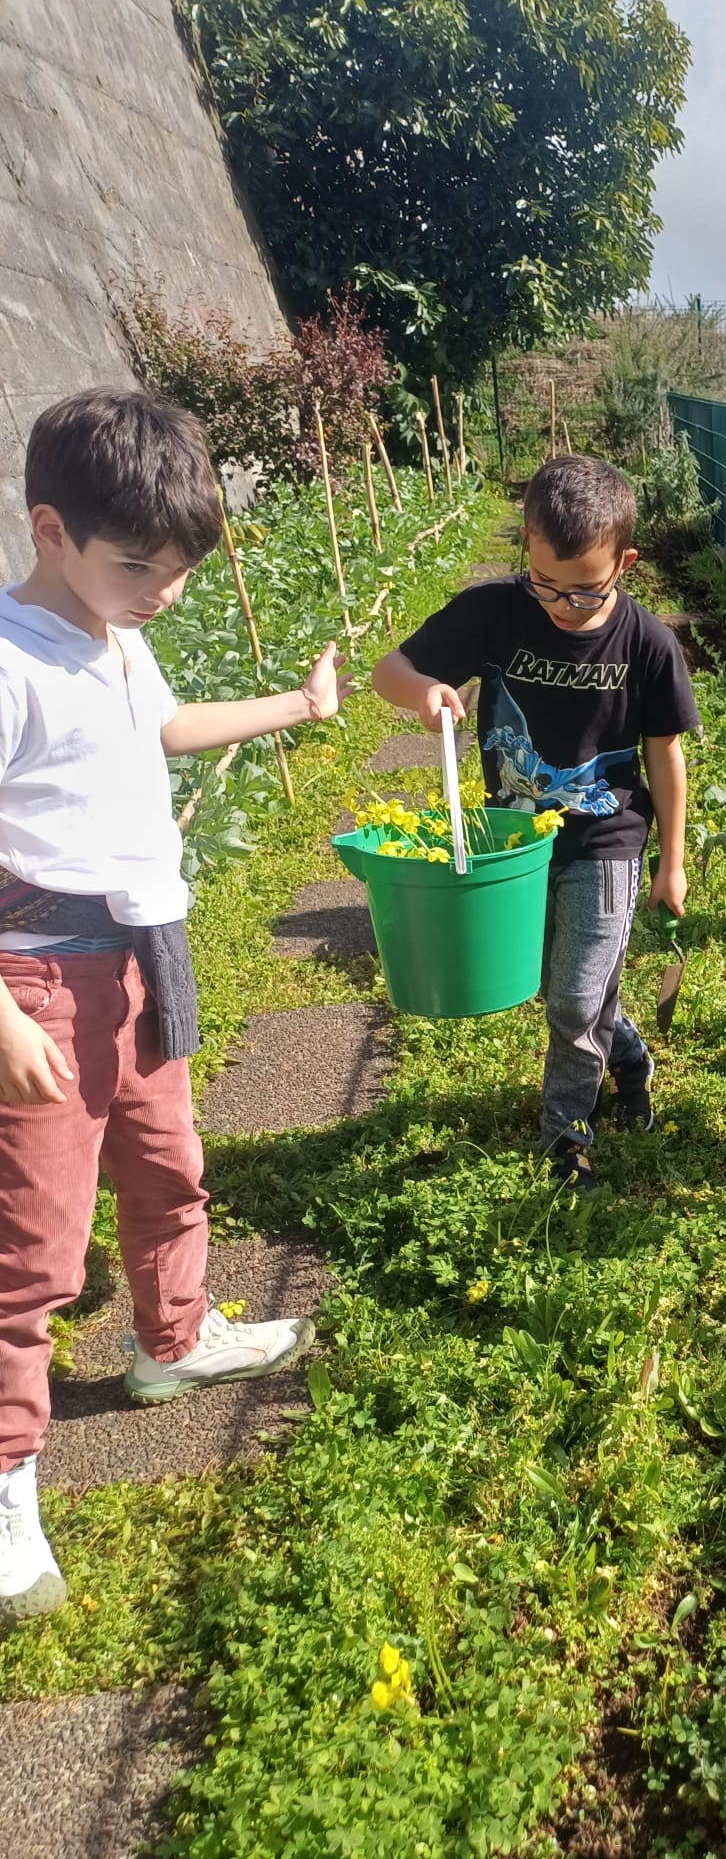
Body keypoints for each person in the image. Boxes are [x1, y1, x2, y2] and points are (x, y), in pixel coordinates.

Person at [0, 389, 349, 1624]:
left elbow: (170, 728)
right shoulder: (9, 661)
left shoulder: (114, 631)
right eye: (137, 562)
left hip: (147, 952)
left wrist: (301, 709)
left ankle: (171, 1336)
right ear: (51, 529)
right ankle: (6, 1475)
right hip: (41, 977)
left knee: (169, 1164)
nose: (164, 589)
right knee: (32, 1246)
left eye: (181, 569)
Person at [372, 454, 699, 1190]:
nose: (562, 604)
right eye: (546, 581)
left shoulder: (648, 643)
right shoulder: (494, 612)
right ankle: (632, 1060)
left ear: (626, 562)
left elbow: (665, 757)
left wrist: (671, 863)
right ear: (526, 543)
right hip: (516, 840)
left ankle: (565, 1137)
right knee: (563, 988)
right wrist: (425, 692)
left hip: (607, 838)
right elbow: (389, 670)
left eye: (585, 590)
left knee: (578, 999)